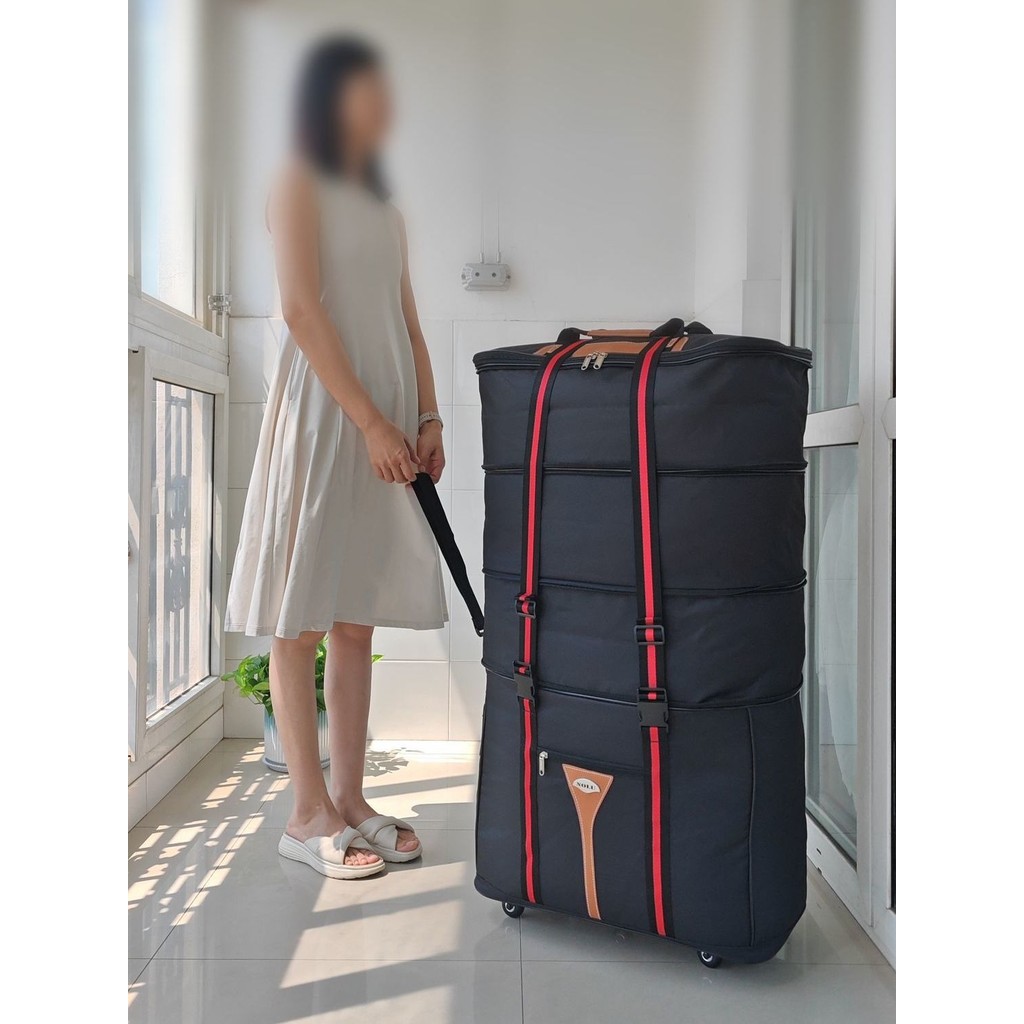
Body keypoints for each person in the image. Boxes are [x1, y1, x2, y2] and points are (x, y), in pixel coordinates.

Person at [226, 37, 447, 879]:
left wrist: (426, 416)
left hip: (385, 422)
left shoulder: (386, 212)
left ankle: (350, 800)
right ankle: (305, 812)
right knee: (302, 616)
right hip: (327, 419)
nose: (383, 103)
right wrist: (371, 423)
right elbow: (299, 310)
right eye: (366, 89)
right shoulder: (296, 182)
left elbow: (409, 324)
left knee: (357, 617)